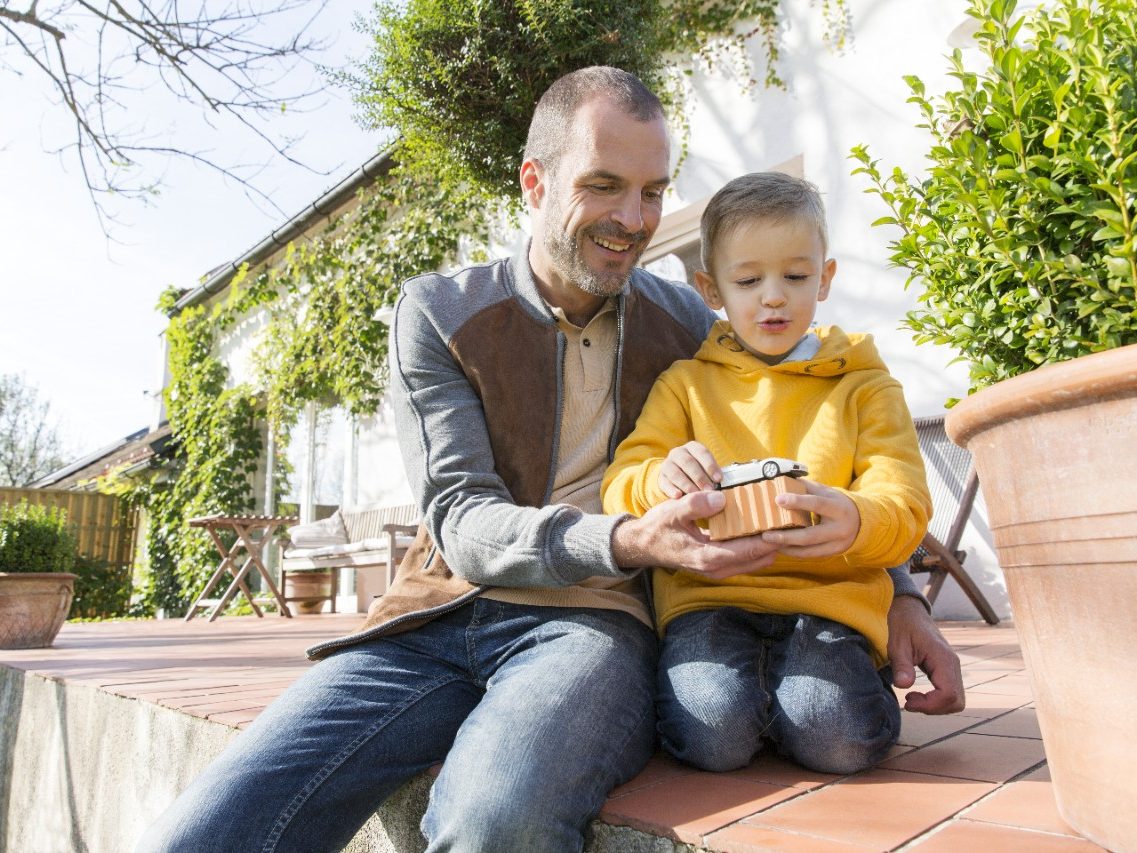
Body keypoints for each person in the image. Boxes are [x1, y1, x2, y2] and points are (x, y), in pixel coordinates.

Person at [139, 68, 963, 853]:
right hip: (433, 617)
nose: (634, 218)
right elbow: (460, 518)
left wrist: (898, 598)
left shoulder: (687, 318)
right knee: (208, 828)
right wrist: (627, 537)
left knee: (494, 820)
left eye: (651, 191)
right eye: (602, 185)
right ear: (533, 184)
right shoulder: (442, 313)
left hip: (591, 623)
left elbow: (797, 438)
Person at [602, 171, 936, 775]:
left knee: (832, 732)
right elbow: (622, 480)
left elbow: (905, 500)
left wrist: (859, 519)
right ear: (710, 289)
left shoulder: (866, 386)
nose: (774, 297)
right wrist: (660, 479)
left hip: (833, 605)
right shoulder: (684, 385)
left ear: (826, 278)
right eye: (749, 280)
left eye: (797, 276)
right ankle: (764, 713)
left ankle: (811, 707)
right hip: (708, 600)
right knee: (711, 734)